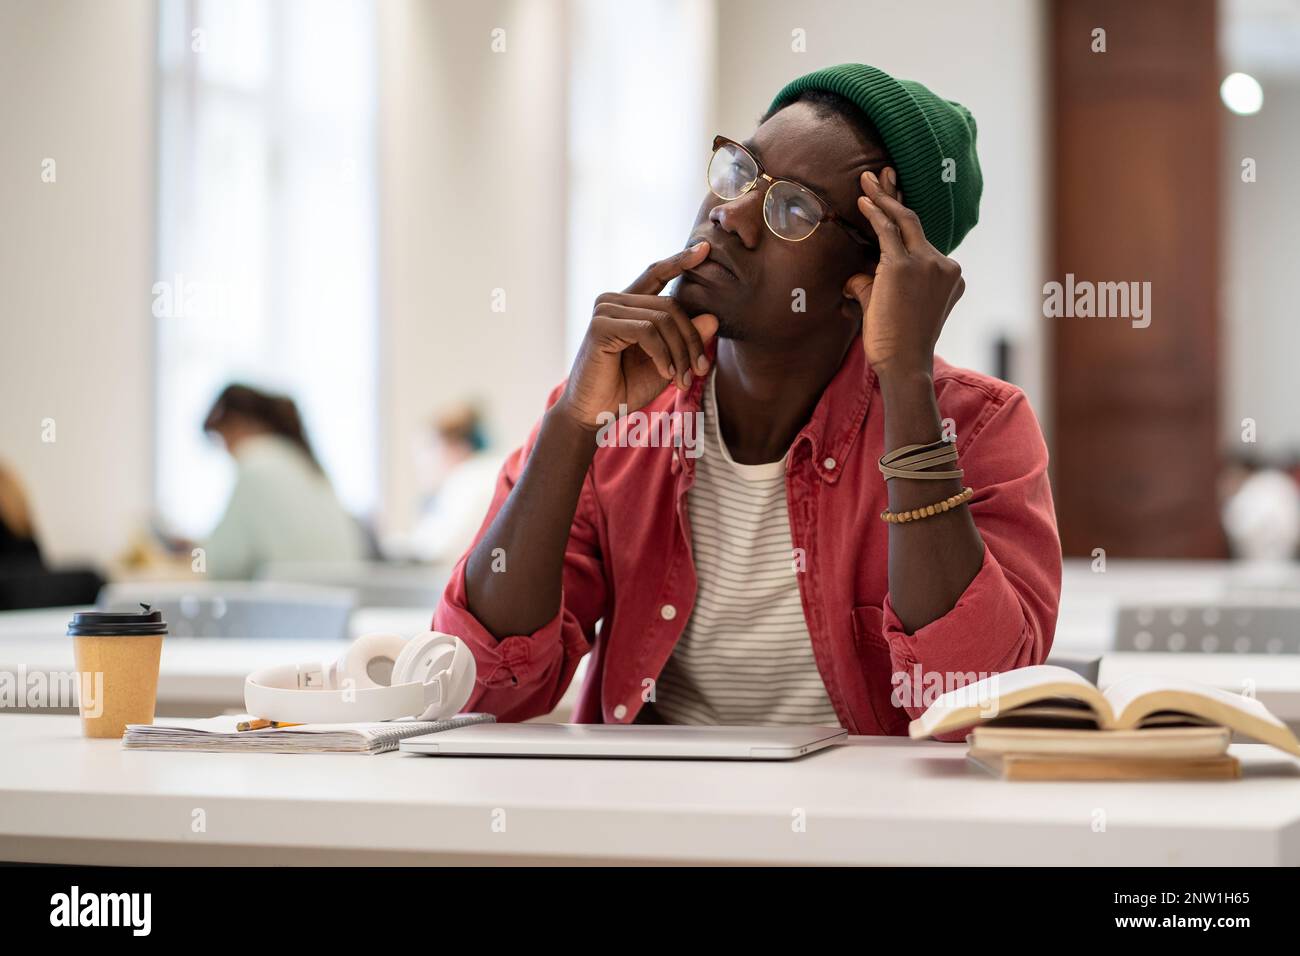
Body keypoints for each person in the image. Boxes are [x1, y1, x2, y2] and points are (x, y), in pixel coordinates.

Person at [435, 64, 1062, 736]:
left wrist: (906, 381)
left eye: (791, 208)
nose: (729, 216)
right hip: (648, 828)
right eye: (739, 174)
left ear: (874, 278)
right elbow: (479, 687)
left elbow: (972, 703)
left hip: (870, 835)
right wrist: (572, 426)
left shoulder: (977, 427)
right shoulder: (622, 414)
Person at [200, 384, 366, 579]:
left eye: (222, 438)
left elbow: (221, 564)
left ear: (239, 424)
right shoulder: (305, 464)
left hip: (283, 604)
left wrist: (195, 554)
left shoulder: (256, 464)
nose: (226, 451)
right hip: (330, 604)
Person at [383, 403, 503, 565]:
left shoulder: (467, 479)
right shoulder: (491, 470)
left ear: (455, 447)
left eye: (426, 450)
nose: (421, 463)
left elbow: (437, 550)